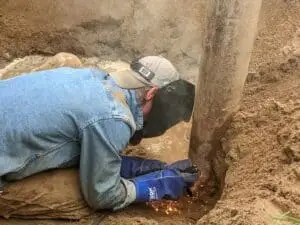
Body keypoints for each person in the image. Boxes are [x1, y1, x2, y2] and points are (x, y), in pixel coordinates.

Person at [0, 56, 198, 210]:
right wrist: (157, 186)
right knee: (74, 193)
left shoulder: (91, 76)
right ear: (151, 94)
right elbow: (103, 195)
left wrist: (134, 168)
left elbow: (79, 133)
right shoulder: (114, 116)